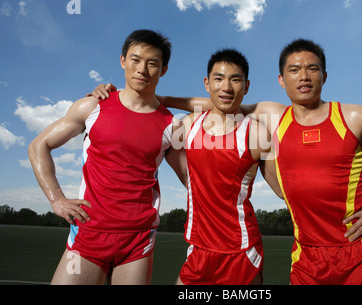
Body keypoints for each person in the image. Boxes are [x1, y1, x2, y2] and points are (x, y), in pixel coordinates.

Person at [161, 38, 362, 284]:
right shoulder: (273, 115)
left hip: (360, 250)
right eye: (294, 70)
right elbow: (219, 101)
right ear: (281, 79)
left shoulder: (355, 117)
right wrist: (155, 98)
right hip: (306, 257)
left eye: (312, 68)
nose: (303, 76)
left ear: (324, 76)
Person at [92, 49, 282, 285]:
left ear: (246, 86)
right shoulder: (188, 126)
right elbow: (140, 125)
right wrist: (117, 96)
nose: (226, 87)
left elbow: (284, 191)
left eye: (236, 80)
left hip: (241, 249)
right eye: (218, 78)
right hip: (197, 249)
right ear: (206, 83)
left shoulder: (256, 134)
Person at [28, 29, 186, 285]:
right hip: (88, 232)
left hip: (137, 239)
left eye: (152, 63)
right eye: (135, 60)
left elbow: (192, 180)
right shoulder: (92, 106)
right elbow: (39, 145)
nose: (142, 69)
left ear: (164, 69)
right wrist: (56, 199)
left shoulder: (171, 125)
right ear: (122, 60)